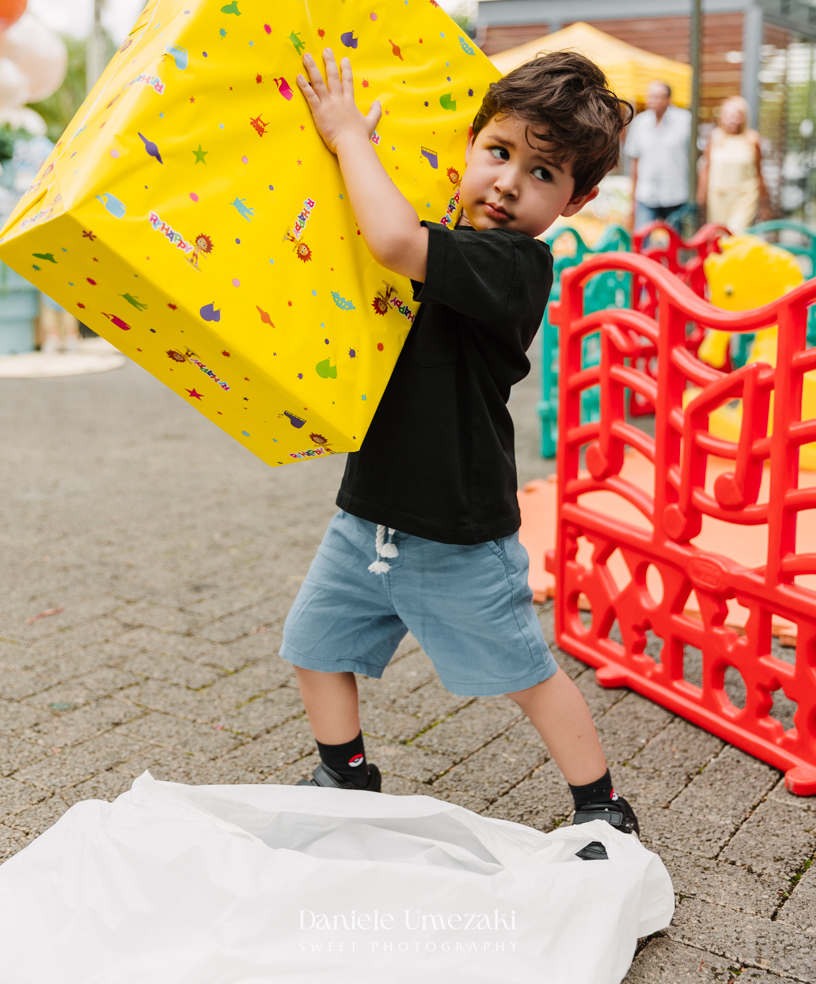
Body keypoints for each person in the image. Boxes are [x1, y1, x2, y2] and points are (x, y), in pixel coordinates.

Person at [281, 47, 639, 837]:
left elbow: (394, 243)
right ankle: (346, 777)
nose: (510, 183)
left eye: (543, 174)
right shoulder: (449, 230)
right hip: (369, 511)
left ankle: (601, 805)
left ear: (576, 200)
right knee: (312, 643)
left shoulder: (515, 265)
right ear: (470, 144)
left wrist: (348, 136)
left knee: (523, 671)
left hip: (458, 529)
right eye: (499, 152)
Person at [696, 95, 769, 232]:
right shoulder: (715, 137)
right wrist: (701, 196)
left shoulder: (752, 139)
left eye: (737, 116)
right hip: (718, 197)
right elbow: (705, 168)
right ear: (722, 117)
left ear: (744, 117)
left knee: (736, 234)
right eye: (728, 115)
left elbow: (759, 173)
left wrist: (765, 204)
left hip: (744, 198)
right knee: (719, 235)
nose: (732, 120)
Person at [626, 80, 691, 230]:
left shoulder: (685, 121)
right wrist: (633, 197)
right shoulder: (640, 122)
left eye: (657, 97)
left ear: (668, 99)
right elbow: (635, 160)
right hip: (646, 195)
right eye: (650, 96)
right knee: (642, 241)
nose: (652, 100)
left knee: (676, 245)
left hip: (677, 195)